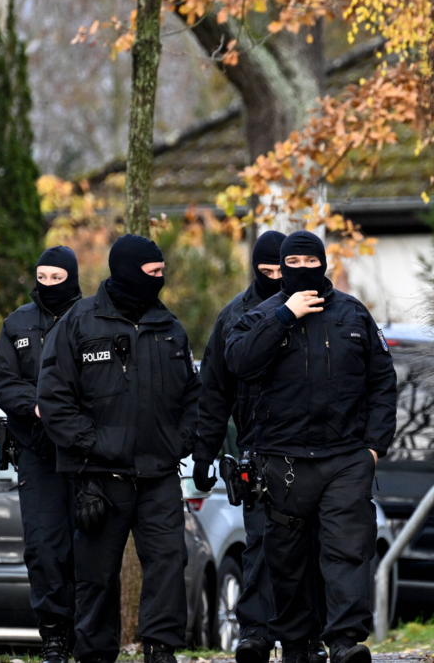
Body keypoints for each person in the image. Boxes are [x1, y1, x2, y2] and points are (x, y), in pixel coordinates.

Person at [225, 231, 397, 663]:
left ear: (324, 264)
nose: (304, 269)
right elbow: (239, 363)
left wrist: (373, 448)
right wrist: (283, 317)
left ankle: (344, 640)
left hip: (345, 458)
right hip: (282, 460)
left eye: (311, 261)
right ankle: (297, 644)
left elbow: (382, 381)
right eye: (294, 263)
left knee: (346, 549)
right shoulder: (260, 316)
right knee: (287, 559)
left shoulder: (353, 314)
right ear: (282, 268)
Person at [38, 234, 200, 663]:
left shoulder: (170, 328)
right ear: (128, 271)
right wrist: (92, 447)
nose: (160, 278)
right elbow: (54, 398)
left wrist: (180, 441)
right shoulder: (79, 322)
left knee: (169, 561)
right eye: (153, 271)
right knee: (96, 575)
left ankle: (160, 649)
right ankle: (94, 654)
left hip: (159, 474)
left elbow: (193, 396)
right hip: (100, 478)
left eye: (162, 272)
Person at [193, 230, 291, 663]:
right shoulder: (234, 316)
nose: (274, 279)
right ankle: (255, 632)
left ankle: (306, 635)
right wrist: (204, 454)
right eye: (266, 272)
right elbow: (214, 392)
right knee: (260, 544)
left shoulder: (316, 309)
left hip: (310, 447)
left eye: (280, 271)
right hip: (257, 444)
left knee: (308, 547)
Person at [0, 247, 83, 662]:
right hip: (36, 451)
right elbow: (0, 379)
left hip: (85, 452)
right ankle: (54, 637)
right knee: (44, 548)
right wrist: (38, 405)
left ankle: (87, 636)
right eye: (42, 278)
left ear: (71, 278)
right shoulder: (17, 323)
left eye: (56, 279)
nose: (48, 286)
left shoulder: (92, 319)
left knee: (89, 547)